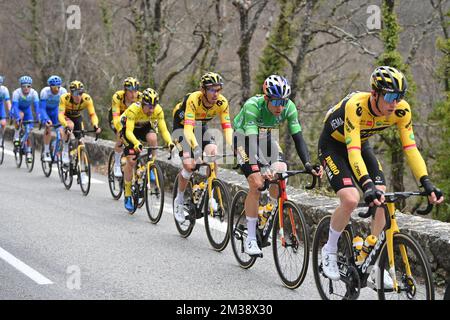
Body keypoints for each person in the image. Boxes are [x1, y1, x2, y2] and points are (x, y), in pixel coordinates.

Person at [318, 66, 444, 286]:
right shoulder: (356, 106)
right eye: (389, 96)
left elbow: (411, 148)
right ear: (374, 93)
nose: (394, 103)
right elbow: (353, 152)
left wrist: (426, 182)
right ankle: (329, 249)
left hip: (360, 143)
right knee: (350, 199)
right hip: (333, 146)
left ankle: (372, 258)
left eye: (399, 96)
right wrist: (366, 185)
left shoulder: (401, 110)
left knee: (382, 197)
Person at [233, 74, 322, 256]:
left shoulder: (289, 108)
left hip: (266, 136)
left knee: (281, 171)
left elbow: (298, 138)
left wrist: (307, 163)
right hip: (244, 138)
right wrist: (262, 167)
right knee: (257, 184)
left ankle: (268, 210)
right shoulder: (252, 106)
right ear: (266, 98)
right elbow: (250, 140)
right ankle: (250, 237)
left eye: (283, 102)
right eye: (275, 102)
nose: (280, 107)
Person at [172, 72, 233, 223]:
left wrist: (234, 146)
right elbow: (187, 131)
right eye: (212, 90)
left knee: (213, 153)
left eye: (218, 90)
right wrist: (196, 149)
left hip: (200, 126)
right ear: (203, 90)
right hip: (182, 127)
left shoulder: (222, 103)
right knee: (189, 164)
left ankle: (210, 194)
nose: (216, 94)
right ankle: (179, 200)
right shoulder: (194, 99)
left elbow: (227, 128)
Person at [118, 88, 174, 212]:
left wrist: (169, 142)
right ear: (143, 104)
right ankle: (127, 194)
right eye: (149, 106)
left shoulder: (157, 111)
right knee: (132, 161)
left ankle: (151, 164)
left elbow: (164, 130)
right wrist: (136, 143)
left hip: (143, 126)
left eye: (154, 106)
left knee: (153, 138)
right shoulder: (134, 109)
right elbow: (128, 131)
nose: (152, 110)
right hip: (128, 129)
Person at [58, 80, 101, 186]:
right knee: (70, 126)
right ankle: (65, 150)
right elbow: (60, 115)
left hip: (77, 118)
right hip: (66, 117)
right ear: (71, 93)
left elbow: (92, 114)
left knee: (82, 142)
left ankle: (82, 173)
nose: (78, 96)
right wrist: (65, 125)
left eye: (80, 93)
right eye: (76, 93)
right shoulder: (64, 98)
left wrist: (95, 125)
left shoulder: (87, 99)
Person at [109, 77, 142, 177]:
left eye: (135, 91)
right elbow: (115, 118)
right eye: (130, 91)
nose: (133, 94)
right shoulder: (118, 97)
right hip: (117, 117)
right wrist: (120, 130)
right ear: (125, 91)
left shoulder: (140, 97)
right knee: (121, 137)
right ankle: (117, 163)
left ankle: (139, 165)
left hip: (131, 119)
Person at [11, 76, 40, 162]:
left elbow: (37, 107)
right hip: (17, 109)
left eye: (28, 86)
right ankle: (16, 135)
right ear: (21, 86)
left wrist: (39, 117)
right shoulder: (17, 93)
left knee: (29, 130)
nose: (26, 88)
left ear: (31, 86)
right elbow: (15, 107)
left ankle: (28, 151)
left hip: (27, 111)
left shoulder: (34, 93)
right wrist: (18, 118)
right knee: (21, 115)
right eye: (24, 86)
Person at [39, 75, 67, 161]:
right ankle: (46, 151)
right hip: (45, 111)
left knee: (61, 131)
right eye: (54, 87)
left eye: (58, 87)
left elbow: (65, 107)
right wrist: (46, 119)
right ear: (50, 86)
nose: (56, 89)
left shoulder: (63, 91)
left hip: (55, 111)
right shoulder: (45, 92)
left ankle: (55, 146)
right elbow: (42, 109)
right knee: (48, 127)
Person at [0, 75, 11, 143]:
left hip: (0, 106)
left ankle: (1, 137)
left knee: (3, 123)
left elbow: (8, 102)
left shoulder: (4, 90)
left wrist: (10, 111)